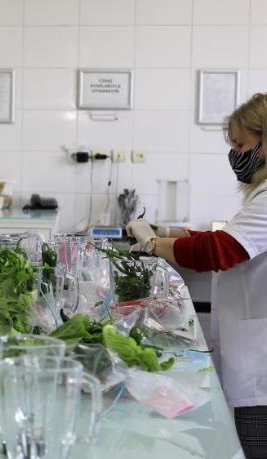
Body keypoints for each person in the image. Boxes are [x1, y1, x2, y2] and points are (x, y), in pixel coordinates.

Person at [127, 93, 267, 458]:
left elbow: (218, 251)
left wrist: (154, 243)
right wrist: (171, 232)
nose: (235, 153)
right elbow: (228, 238)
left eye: (240, 143)